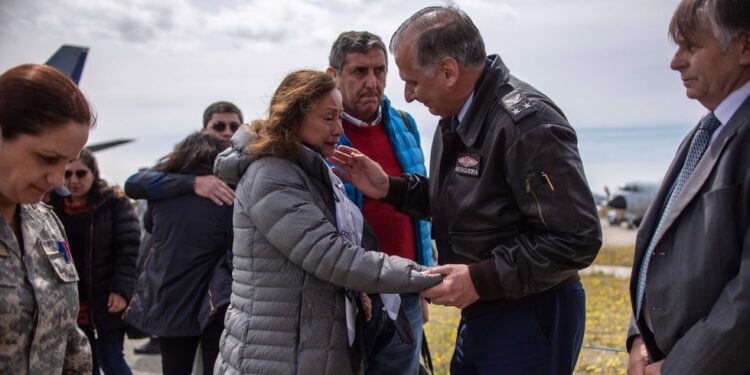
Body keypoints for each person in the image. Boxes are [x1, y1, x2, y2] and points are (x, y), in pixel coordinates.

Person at [331, 6, 602, 374]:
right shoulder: (458, 115)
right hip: (488, 307)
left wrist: (480, 278)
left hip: (528, 313)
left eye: (412, 81)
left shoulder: (526, 124)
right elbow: (465, 201)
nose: (407, 95)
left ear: (448, 71)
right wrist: (391, 188)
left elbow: (576, 238)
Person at [213, 69, 442, 375]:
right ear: (294, 117)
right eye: (329, 118)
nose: (338, 128)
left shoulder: (307, 169)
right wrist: (426, 276)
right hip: (275, 355)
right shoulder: (272, 175)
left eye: (340, 117)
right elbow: (333, 257)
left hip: (299, 345)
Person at [626, 1, 750, 374]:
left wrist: (677, 368)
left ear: (745, 47)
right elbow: (662, 249)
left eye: (692, 47)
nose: (675, 62)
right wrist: (639, 339)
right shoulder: (707, 131)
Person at [326, 30, 432, 374]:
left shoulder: (404, 123)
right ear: (333, 76)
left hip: (405, 288)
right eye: (359, 71)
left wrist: (423, 288)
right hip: (346, 294)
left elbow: (420, 210)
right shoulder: (318, 132)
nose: (372, 82)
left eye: (380, 70)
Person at [124, 101, 242, 356]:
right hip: (179, 289)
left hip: (217, 290)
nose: (226, 132)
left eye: (234, 126)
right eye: (218, 126)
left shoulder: (246, 171)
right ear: (203, 131)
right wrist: (192, 183)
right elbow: (134, 183)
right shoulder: (179, 172)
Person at [0, 64, 94, 373]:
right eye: (48, 158)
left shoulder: (44, 222)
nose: (58, 179)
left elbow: (68, 339)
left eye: (67, 163)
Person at [48, 148, 140, 375]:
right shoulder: (52, 207)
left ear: (94, 174)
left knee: (111, 360)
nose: (74, 180)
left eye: (81, 174)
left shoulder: (114, 203)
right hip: (69, 301)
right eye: (68, 174)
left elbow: (128, 250)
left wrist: (121, 290)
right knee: (82, 365)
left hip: (106, 299)